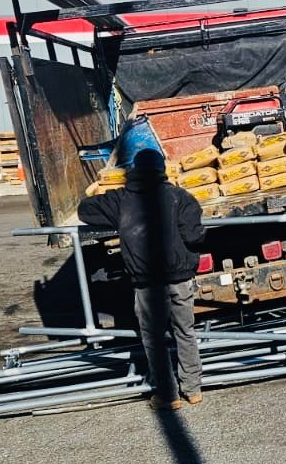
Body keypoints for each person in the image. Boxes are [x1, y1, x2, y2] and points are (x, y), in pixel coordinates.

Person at [79, 149, 207, 411]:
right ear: (162, 169)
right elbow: (195, 236)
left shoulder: (122, 199)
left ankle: (169, 395)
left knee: (154, 338)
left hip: (147, 282)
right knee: (186, 332)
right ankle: (193, 389)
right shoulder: (179, 197)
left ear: (134, 170)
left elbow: (85, 210)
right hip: (179, 277)